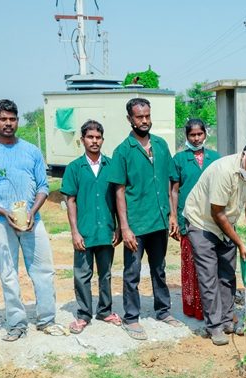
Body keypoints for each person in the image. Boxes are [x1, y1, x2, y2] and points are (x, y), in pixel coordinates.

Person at [0, 99, 64, 341]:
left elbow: (43, 186)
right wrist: (3, 212)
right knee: (8, 272)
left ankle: (46, 320)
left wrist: (31, 211)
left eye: (12, 119)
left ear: (17, 121)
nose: (8, 123)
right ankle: (17, 323)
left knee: (43, 270)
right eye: (3, 119)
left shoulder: (31, 150)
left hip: (33, 220)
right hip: (0, 223)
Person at [183, 137, 246, 345]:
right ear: (244, 154)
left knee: (227, 274)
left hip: (225, 224)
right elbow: (217, 213)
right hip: (202, 222)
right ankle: (214, 327)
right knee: (209, 275)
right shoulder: (224, 170)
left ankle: (227, 320)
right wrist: (240, 243)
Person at [107, 97, 182, 341]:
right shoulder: (122, 151)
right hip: (136, 224)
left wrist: (172, 214)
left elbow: (172, 184)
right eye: (139, 117)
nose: (145, 120)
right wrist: (124, 227)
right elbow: (118, 191)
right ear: (129, 119)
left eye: (147, 116)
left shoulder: (161, 145)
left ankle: (163, 310)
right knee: (132, 271)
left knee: (159, 269)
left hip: (159, 220)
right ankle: (131, 317)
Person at [60, 120, 122, 334]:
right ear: (82, 140)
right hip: (84, 232)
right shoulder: (75, 168)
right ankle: (84, 314)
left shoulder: (111, 165)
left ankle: (105, 311)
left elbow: (118, 198)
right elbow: (71, 201)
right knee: (82, 274)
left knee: (105, 273)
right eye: (90, 137)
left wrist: (119, 228)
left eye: (98, 137)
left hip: (106, 231)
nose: (94, 141)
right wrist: (75, 232)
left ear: (102, 140)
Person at [169, 118, 220, 320]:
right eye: (192, 135)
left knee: (210, 265)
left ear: (205, 134)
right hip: (188, 218)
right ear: (186, 136)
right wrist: (173, 215)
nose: (197, 138)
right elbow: (174, 190)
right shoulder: (179, 159)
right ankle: (193, 307)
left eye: (200, 134)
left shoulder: (215, 157)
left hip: (211, 219)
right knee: (191, 264)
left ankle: (212, 308)